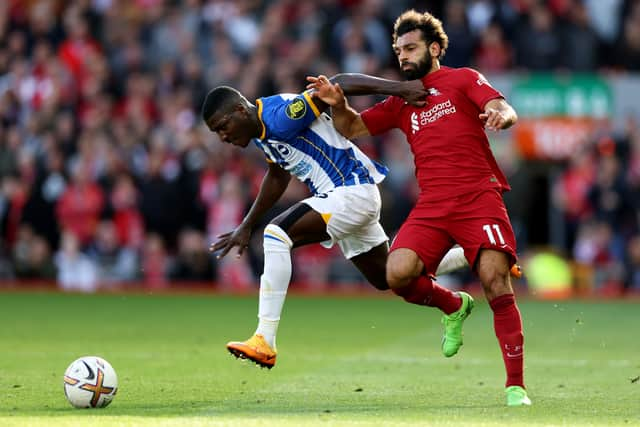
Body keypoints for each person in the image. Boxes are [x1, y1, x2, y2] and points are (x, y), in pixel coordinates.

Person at [306, 9, 531, 407]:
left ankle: (515, 387)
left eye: (410, 48)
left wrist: (501, 116)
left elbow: (503, 106)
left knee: (496, 279)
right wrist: (338, 104)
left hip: (478, 197)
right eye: (398, 51)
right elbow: (354, 127)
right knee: (396, 274)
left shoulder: (462, 79)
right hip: (432, 205)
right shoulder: (401, 99)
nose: (403, 57)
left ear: (435, 48)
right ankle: (454, 305)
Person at [201, 83, 474, 371]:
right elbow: (278, 175)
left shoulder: (281, 116)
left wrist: (399, 89)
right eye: (216, 132)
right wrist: (246, 224)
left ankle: (264, 339)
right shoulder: (261, 132)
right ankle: (468, 273)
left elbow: (338, 81)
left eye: (222, 126)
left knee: (276, 235)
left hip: (350, 191)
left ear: (240, 110)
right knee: (389, 276)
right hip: (344, 198)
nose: (222, 136)